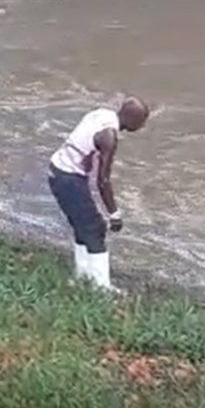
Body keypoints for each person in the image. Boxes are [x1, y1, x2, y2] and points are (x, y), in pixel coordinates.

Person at [47, 97, 150, 293]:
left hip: (57, 169)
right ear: (132, 120)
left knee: (82, 226)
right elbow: (103, 180)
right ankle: (102, 288)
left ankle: (83, 277)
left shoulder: (102, 114)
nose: (143, 125)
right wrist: (114, 214)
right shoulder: (108, 137)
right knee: (96, 229)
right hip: (68, 177)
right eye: (142, 120)